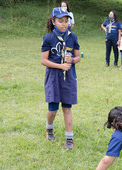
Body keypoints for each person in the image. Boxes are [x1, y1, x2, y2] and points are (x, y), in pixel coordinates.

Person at [41, 7, 81, 150]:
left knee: (67, 107)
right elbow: (43, 60)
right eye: (60, 21)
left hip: (68, 76)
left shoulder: (72, 37)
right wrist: (60, 66)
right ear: (53, 21)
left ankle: (69, 139)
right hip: (53, 75)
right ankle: (49, 128)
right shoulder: (48, 38)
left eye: (66, 21)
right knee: (53, 108)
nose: (64, 24)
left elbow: (78, 57)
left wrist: (72, 61)